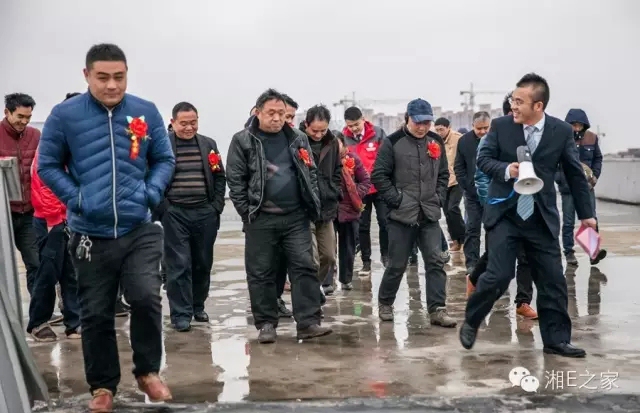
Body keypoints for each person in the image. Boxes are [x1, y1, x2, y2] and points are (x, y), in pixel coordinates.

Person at [37, 43, 175, 411]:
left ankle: (148, 371)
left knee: (146, 296)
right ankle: (103, 386)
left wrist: (150, 192)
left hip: (139, 227)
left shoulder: (145, 111)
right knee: (96, 312)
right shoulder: (65, 115)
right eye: (103, 77)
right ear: (87, 76)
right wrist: (77, 199)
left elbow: (163, 157)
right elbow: (47, 165)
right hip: (89, 233)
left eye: (119, 77)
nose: (112, 85)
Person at [461, 73, 595, 358]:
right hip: (506, 214)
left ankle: (557, 340)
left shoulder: (559, 131)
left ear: (539, 105)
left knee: (553, 280)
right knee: (498, 275)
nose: (514, 106)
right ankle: (472, 319)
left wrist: (587, 215)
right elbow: (483, 161)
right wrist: (505, 170)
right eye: (513, 99)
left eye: (520, 101)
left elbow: (574, 174)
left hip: (541, 216)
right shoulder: (500, 127)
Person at [226, 88, 331, 344]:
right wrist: (246, 211)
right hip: (261, 219)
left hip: (296, 217)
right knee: (261, 272)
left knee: (305, 267)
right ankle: (266, 324)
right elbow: (235, 180)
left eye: (281, 114)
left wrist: (312, 202)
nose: (276, 118)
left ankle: (308, 322)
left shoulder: (297, 138)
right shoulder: (243, 140)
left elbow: (311, 173)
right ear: (258, 112)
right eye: (271, 113)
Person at [371, 99, 456, 327]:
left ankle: (437, 309)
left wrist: (438, 197)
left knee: (435, 261)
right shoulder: (393, 142)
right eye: (418, 122)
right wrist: (397, 200)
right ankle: (385, 302)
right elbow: (379, 176)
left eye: (427, 122)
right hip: (401, 215)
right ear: (407, 118)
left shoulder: (435, 140)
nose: (422, 127)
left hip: (428, 213)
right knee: (397, 264)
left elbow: (444, 175)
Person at [468, 92, 537, 320]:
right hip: (500, 204)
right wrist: (491, 201)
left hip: (526, 202)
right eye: (515, 109)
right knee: (497, 252)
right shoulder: (495, 134)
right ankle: (475, 278)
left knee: (527, 253)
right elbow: (481, 172)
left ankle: (523, 301)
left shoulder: (534, 134)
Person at [160, 102, 226, 332]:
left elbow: (219, 177)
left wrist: (216, 206)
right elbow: (153, 178)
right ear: (173, 122)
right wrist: (164, 208)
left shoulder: (208, 144)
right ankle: (180, 313)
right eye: (184, 123)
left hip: (205, 213)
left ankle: (198, 305)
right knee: (178, 265)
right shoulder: (163, 145)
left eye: (193, 122)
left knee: (202, 263)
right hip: (175, 213)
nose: (189, 127)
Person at [27, 92, 82, 342]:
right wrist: (55, 219)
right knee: (48, 272)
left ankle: (74, 321)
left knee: (72, 272)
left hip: (73, 219)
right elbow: (43, 183)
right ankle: (38, 322)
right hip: (51, 219)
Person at [299, 105, 342, 295]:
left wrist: (334, 190)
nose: (318, 134)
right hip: (304, 208)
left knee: (329, 256)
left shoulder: (332, 142)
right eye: (314, 130)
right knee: (312, 258)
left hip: (327, 207)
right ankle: (310, 295)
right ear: (306, 125)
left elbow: (338, 170)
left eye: (322, 130)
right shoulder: (296, 141)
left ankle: (312, 288)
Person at [0, 93, 40, 295]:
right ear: (7, 112)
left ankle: (38, 316)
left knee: (36, 263)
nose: (24, 122)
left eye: (28, 117)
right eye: (20, 116)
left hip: (28, 215)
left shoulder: (35, 136)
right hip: (2, 216)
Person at [556, 108, 606, 266]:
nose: (576, 128)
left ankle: (593, 252)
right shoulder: (561, 139)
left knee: (591, 219)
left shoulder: (592, 138)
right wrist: (561, 181)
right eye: (573, 125)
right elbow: (555, 164)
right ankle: (569, 252)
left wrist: (595, 176)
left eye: (579, 125)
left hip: (587, 187)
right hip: (568, 188)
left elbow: (598, 158)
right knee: (569, 221)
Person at [342, 107, 388, 274]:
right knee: (363, 225)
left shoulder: (377, 133)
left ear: (363, 119)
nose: (354, 128)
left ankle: (386, 255)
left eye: (356, 124)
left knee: (384, 221)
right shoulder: (344, 138)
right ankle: (366, 261)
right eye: (350, 125)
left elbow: (386, 157)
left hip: (379, 187)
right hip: (359, 190)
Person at [335, 132, 371, 289]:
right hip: (330, 210)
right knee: (328, 249)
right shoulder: (324, 160)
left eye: (337, 144)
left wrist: (354, 192)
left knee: (348, 247)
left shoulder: (353, 159)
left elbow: (366, 181)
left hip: (350, 210)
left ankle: (345, 279)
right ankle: (327, 281)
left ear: (343, 144)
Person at [433, 117, 465, 252]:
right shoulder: (435, 141)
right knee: (447, 212)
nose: (439, 132)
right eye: (437, 130)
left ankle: (464, 238)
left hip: (457, 180)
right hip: (444, 182)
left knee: (453, 209)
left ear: (448, 127)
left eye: (442, 129)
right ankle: (455, 241)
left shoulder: (459, 139)